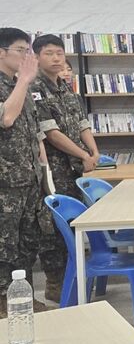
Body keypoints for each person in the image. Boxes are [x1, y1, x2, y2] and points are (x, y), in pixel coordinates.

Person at [31, 34, 101, 302]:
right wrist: (83, 154)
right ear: (37, 57)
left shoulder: (65, 87)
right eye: (49, 53)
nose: (56, 58)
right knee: (54, 227)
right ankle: (55, 282)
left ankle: (74, 277)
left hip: (75, 167)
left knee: (73, 223)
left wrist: (93, 151)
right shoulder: (35, 88)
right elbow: (52, 134)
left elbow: (82, 123)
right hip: (53, 169)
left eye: (59, 53)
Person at [0, 28, 50, 318]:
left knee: (27, 243)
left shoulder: (21, 84)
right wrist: (24, 81)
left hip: (28, 178)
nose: (27, 57)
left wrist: (42, 170)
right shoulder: (19, 84)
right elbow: (6, 117)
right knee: (4, 245)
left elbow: (33, 131)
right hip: (5, 184)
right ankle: (3, 303)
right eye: (21, 50)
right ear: (1, 53)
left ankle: (23, 299)